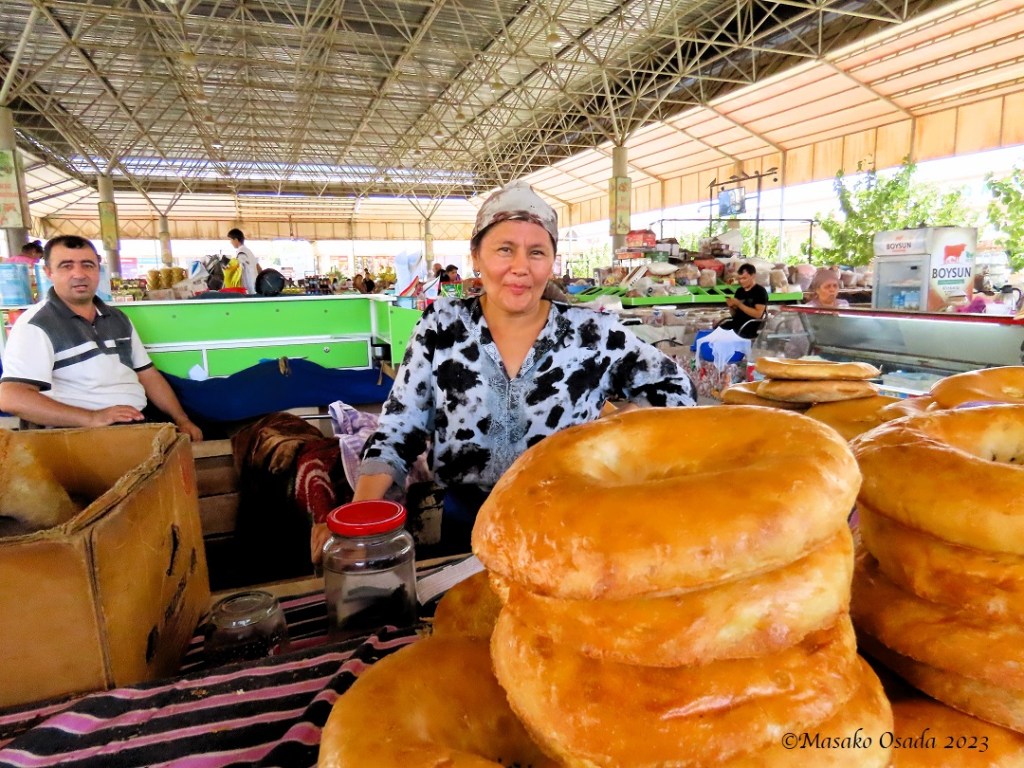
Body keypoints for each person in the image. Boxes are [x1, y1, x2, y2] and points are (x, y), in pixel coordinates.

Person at [310, 180, 696, 563]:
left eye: (537, 252)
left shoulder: (591, 332)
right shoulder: (442, 326)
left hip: (566, 529)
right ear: (476, 257)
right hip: (463, 531)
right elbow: (399, 430)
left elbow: (675, 387)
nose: (520, 268)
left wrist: (609, 433)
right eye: (505, 250)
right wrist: (359, 518)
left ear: (552, 261)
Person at [0, 236, 203, 441]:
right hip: (83, 434)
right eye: (66, 266)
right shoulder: (36, 325)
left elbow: (148, 375)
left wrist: (181, 419)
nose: (79, 274)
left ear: (98, 270)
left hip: (136, 421)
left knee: (216, 436)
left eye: (87, 265)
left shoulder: (117, 318)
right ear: (48, 273)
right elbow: (11, 397)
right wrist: (93, 417)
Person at [718, 263, 768, 339]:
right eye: (739, 279)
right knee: (717, 330)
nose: (741, 281)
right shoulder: (739, 291)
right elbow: (734, 315)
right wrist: (731, 306)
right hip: (737, 323)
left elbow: (758, 314)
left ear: (753, 276)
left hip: (750, 326)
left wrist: (739, 304)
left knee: (724, 337)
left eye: (744, 278)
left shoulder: (760, 291)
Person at [226, 228, 259, 295]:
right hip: (254, 286)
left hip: (248, 288)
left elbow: (236, 270)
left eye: (231, 240)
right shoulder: (248, 251)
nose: (230, 242)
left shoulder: (241, 252)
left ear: (236, 240)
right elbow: (258, 267)